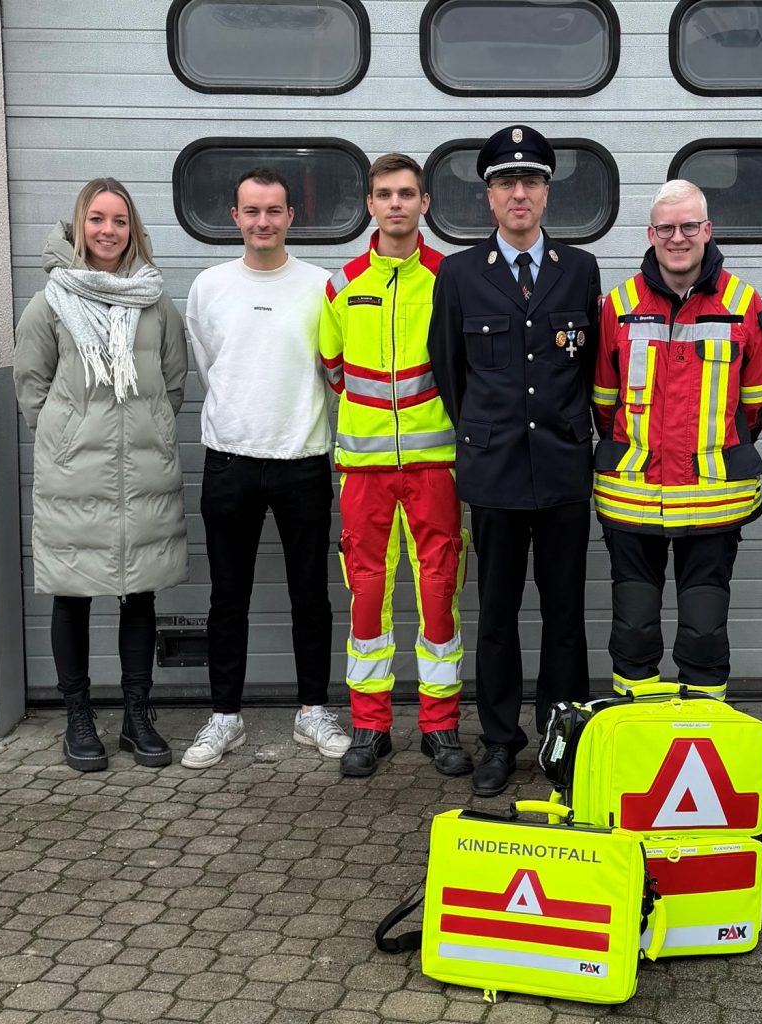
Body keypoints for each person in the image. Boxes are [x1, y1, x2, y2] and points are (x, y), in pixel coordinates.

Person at [428, 125, 601, 797]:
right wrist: (488, 431)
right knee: (496, 619)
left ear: (547, 192)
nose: (519, 193)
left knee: (565, 619)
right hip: (495, 472)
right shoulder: (461, 273)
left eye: (530, 181)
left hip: (561, 472)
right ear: (489, 197)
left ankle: (565, 745)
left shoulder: (577, 270)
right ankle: (500, 741)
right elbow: (451, 369)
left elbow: (590, 369)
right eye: (506, 183)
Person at [13, 177, 188, 772]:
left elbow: (172, 379)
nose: (108, 231)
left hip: (141, 468)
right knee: (73, 595)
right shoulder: (50, 300)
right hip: (75, 474)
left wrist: (153, 431)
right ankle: (78, 717)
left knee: (138, 592)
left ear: (132, 229)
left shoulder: (154, 300)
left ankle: (138, 716)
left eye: (119, 221)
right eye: (97, 219)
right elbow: (30, 387)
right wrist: (64, 439)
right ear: (79, 224)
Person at [182, 167, 350, 769]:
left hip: (302, 458)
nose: (263, 222)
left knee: (311, 595)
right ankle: (225, 715)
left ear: (290, 217)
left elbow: (333, 369)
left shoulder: (321, 285)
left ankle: (312, 711)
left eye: (274, 211)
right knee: (228, 595)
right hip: (229, 459)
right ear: (234, 217)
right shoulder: (208, 286)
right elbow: (211, 364)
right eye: (251, 211)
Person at [592, 180, 762, 701]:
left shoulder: (744, 302)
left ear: (707, 230)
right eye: (667, 228)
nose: (678, 237)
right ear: (651, 234)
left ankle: (702, 736)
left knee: (703, 630)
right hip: (632, 496)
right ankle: (640, 732)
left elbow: (755, 403)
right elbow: (604, 401)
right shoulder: (619, 303)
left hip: (715, 499)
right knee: (633, 629)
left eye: (688, 226)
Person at [319, 153, 470, 778]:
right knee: (367, 600)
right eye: (385, 194)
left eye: (407, 193)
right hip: (364, 472)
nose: (397, 204)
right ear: (370, 204)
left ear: (425, 203)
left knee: (440, 597)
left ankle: (440, 727)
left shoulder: (451, 278)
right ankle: (369, 727)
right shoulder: (342, 285)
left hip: (436, 465)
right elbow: (332, 368)